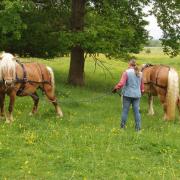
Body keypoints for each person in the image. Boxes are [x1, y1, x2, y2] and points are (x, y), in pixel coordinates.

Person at [112, 59, 144, 131]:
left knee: (125, 111)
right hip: (137, 95)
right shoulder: (140, 73)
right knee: (136, 112)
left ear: (129, 64)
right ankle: (138, 129)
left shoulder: (126, 72)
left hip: (127, 95)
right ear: (135, 64)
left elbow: (122, 83)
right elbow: (142, 86)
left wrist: (115, 88)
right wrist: (141, 92)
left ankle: (122, 128)